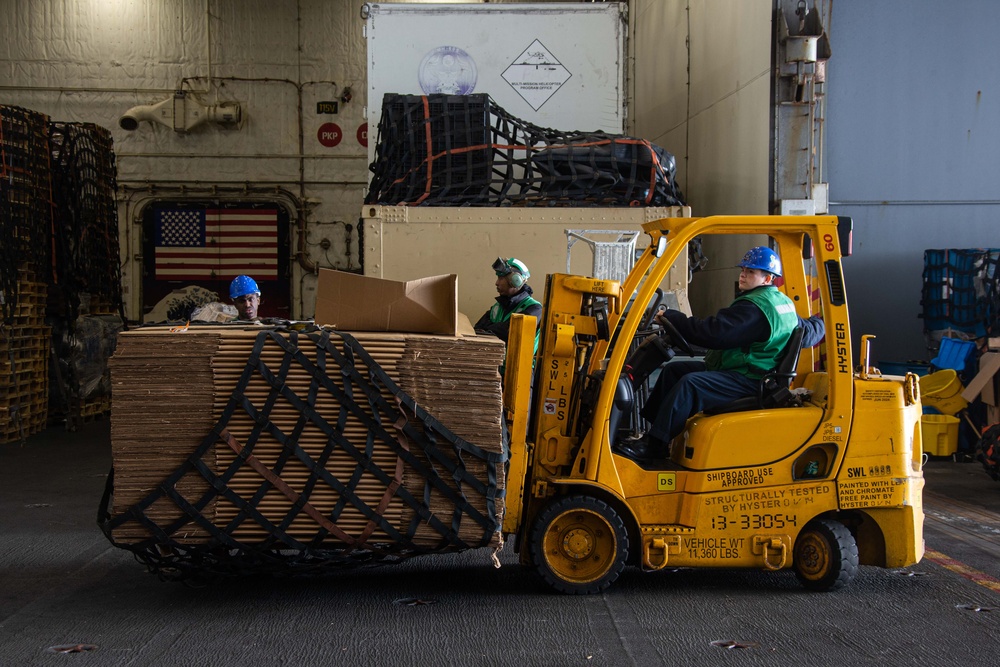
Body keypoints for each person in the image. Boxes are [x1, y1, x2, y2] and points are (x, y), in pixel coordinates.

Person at [615, 246, 825, 462]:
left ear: (767, 278)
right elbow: (809, 330)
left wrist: (673, 317)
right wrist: (822, 322)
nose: (743, 274)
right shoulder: (782, 304)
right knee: (674, 371)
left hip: (751, 379)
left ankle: (653, 446)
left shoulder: (755, 309)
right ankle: (653, 435)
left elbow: (714, 333)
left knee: (691, 384)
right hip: (749, 372)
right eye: (743, 269)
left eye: (751, 271)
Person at [474, 257, 543, 367]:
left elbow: (511, 332)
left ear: (515, 280)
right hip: (495, 367)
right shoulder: (498, 307)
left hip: (520, 372)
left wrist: (489, 329)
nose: (496, 283)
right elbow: (476, 330)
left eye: (501, 278)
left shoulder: (534, 308)